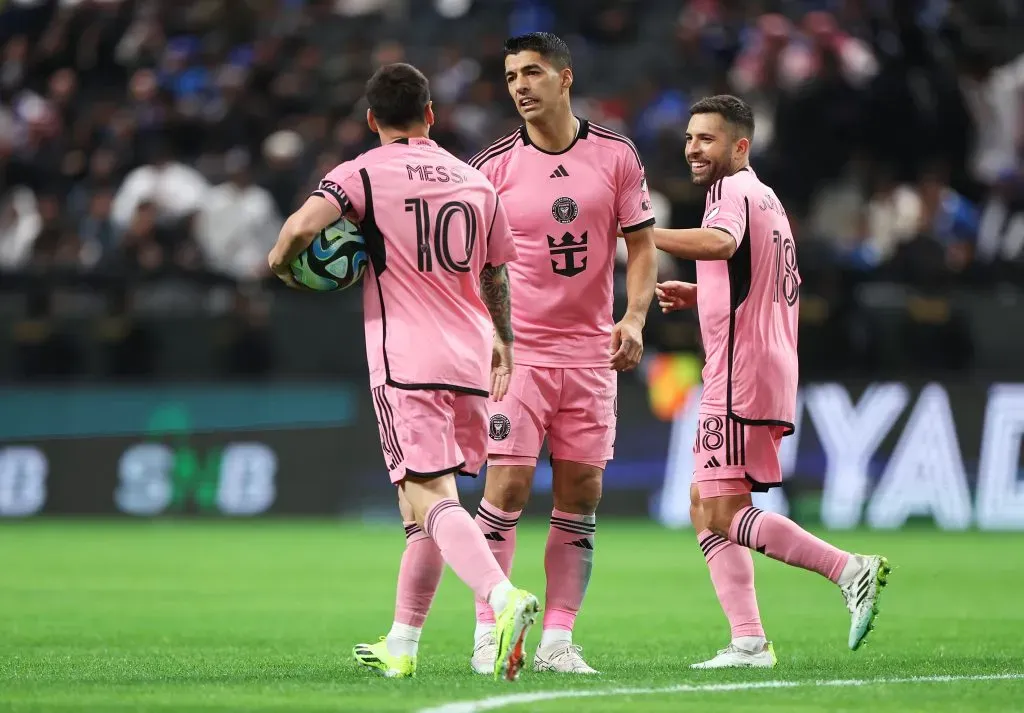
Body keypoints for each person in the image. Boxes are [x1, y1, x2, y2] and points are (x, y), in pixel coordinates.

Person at [267, 63, 539, 682]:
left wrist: (283, 266)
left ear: (371, 119)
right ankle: (402, 643)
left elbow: (299, 228)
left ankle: (502, 598)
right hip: (471, 359)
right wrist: (504, 339)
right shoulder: (475, 183)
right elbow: (496, 274)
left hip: (405, 358)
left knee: (429, 496)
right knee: (421, 511)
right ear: (431, 115)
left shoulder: (361, 172)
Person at [653, 94, 891, 668]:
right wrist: (700, 292)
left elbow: (723, 244)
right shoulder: (767, 199)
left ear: (740, 145)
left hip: (741, 373)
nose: (693, 148)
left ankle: (847, 570)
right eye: (689, 138)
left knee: (721, 512)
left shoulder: (731, 192)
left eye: (706, 139)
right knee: (703, 502)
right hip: (759, 365)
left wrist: (641, 233)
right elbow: (761, 274)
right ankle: (748, 641)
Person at [466, 32, 658, 675]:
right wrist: (492, 335)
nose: (520, 85)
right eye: (511, 75)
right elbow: (474, 265)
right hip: (517, 354)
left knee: (582, 492)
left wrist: (632, 318)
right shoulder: (491, 167)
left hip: (589, 353)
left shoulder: (616, 156)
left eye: (532, 73)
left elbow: (643, 245)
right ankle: (489, 629)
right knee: (508, 485)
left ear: (564, 77)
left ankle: (556, 639)